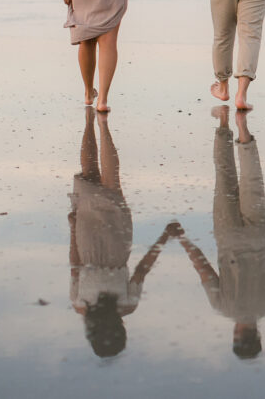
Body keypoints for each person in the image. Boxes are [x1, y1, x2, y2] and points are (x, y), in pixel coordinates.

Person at [68, 107, 182, 357]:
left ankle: (103, 126)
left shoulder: (127, 306)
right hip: (87, 241)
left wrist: (165, 236)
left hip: (117, 243)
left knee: (112, 182)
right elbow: (75, 265)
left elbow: (142, 269)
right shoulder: (80, 305)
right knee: (88, 174)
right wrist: (72, 225)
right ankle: (91, 122)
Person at [172, 106, 265, 359]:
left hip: (260, 238)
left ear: (258, 335)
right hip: (229, 239)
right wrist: (182, 239)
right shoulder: (224, 307)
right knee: (224, 176)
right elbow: (203, 269)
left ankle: (242, 129)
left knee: (253, 182)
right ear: (236, 335)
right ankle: (223, 124)